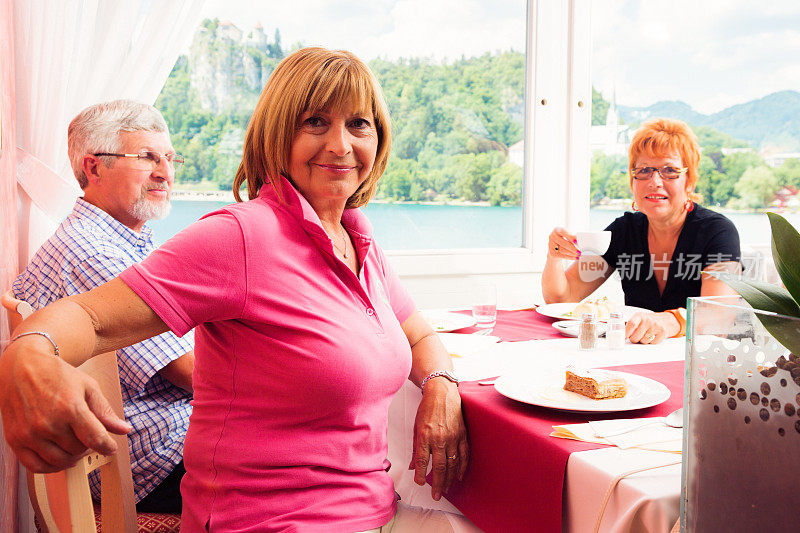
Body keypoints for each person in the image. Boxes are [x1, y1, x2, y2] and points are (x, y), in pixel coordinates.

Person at [0, 49, 473, 532]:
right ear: (278, 134)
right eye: (315, 122)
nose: (340, 145)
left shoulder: (356, 237)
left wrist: (440, 385)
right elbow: (89, 319)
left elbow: (418, 333)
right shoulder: (241, 237)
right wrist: (26, 359)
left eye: (358, 124)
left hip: (374, 510)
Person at [10, 100, 193, 513]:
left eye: (168, 157)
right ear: (93, 169)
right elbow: (191, 373)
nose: (165, 172)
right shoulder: (94, 253)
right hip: (152, 456)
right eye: (147, 157)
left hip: (154, 444)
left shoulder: (112, 241)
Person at [542, 118, 740, 345]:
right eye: (644, 170)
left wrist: (669, 321)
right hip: (638, 358)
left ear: (689, 180)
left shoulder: (718, 232)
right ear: (633, 180)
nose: (655, 181)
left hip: (700, 365)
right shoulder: (624, 231)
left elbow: (719, 316)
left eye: (670, 171)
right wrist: (554, 258)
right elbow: (562, 297)